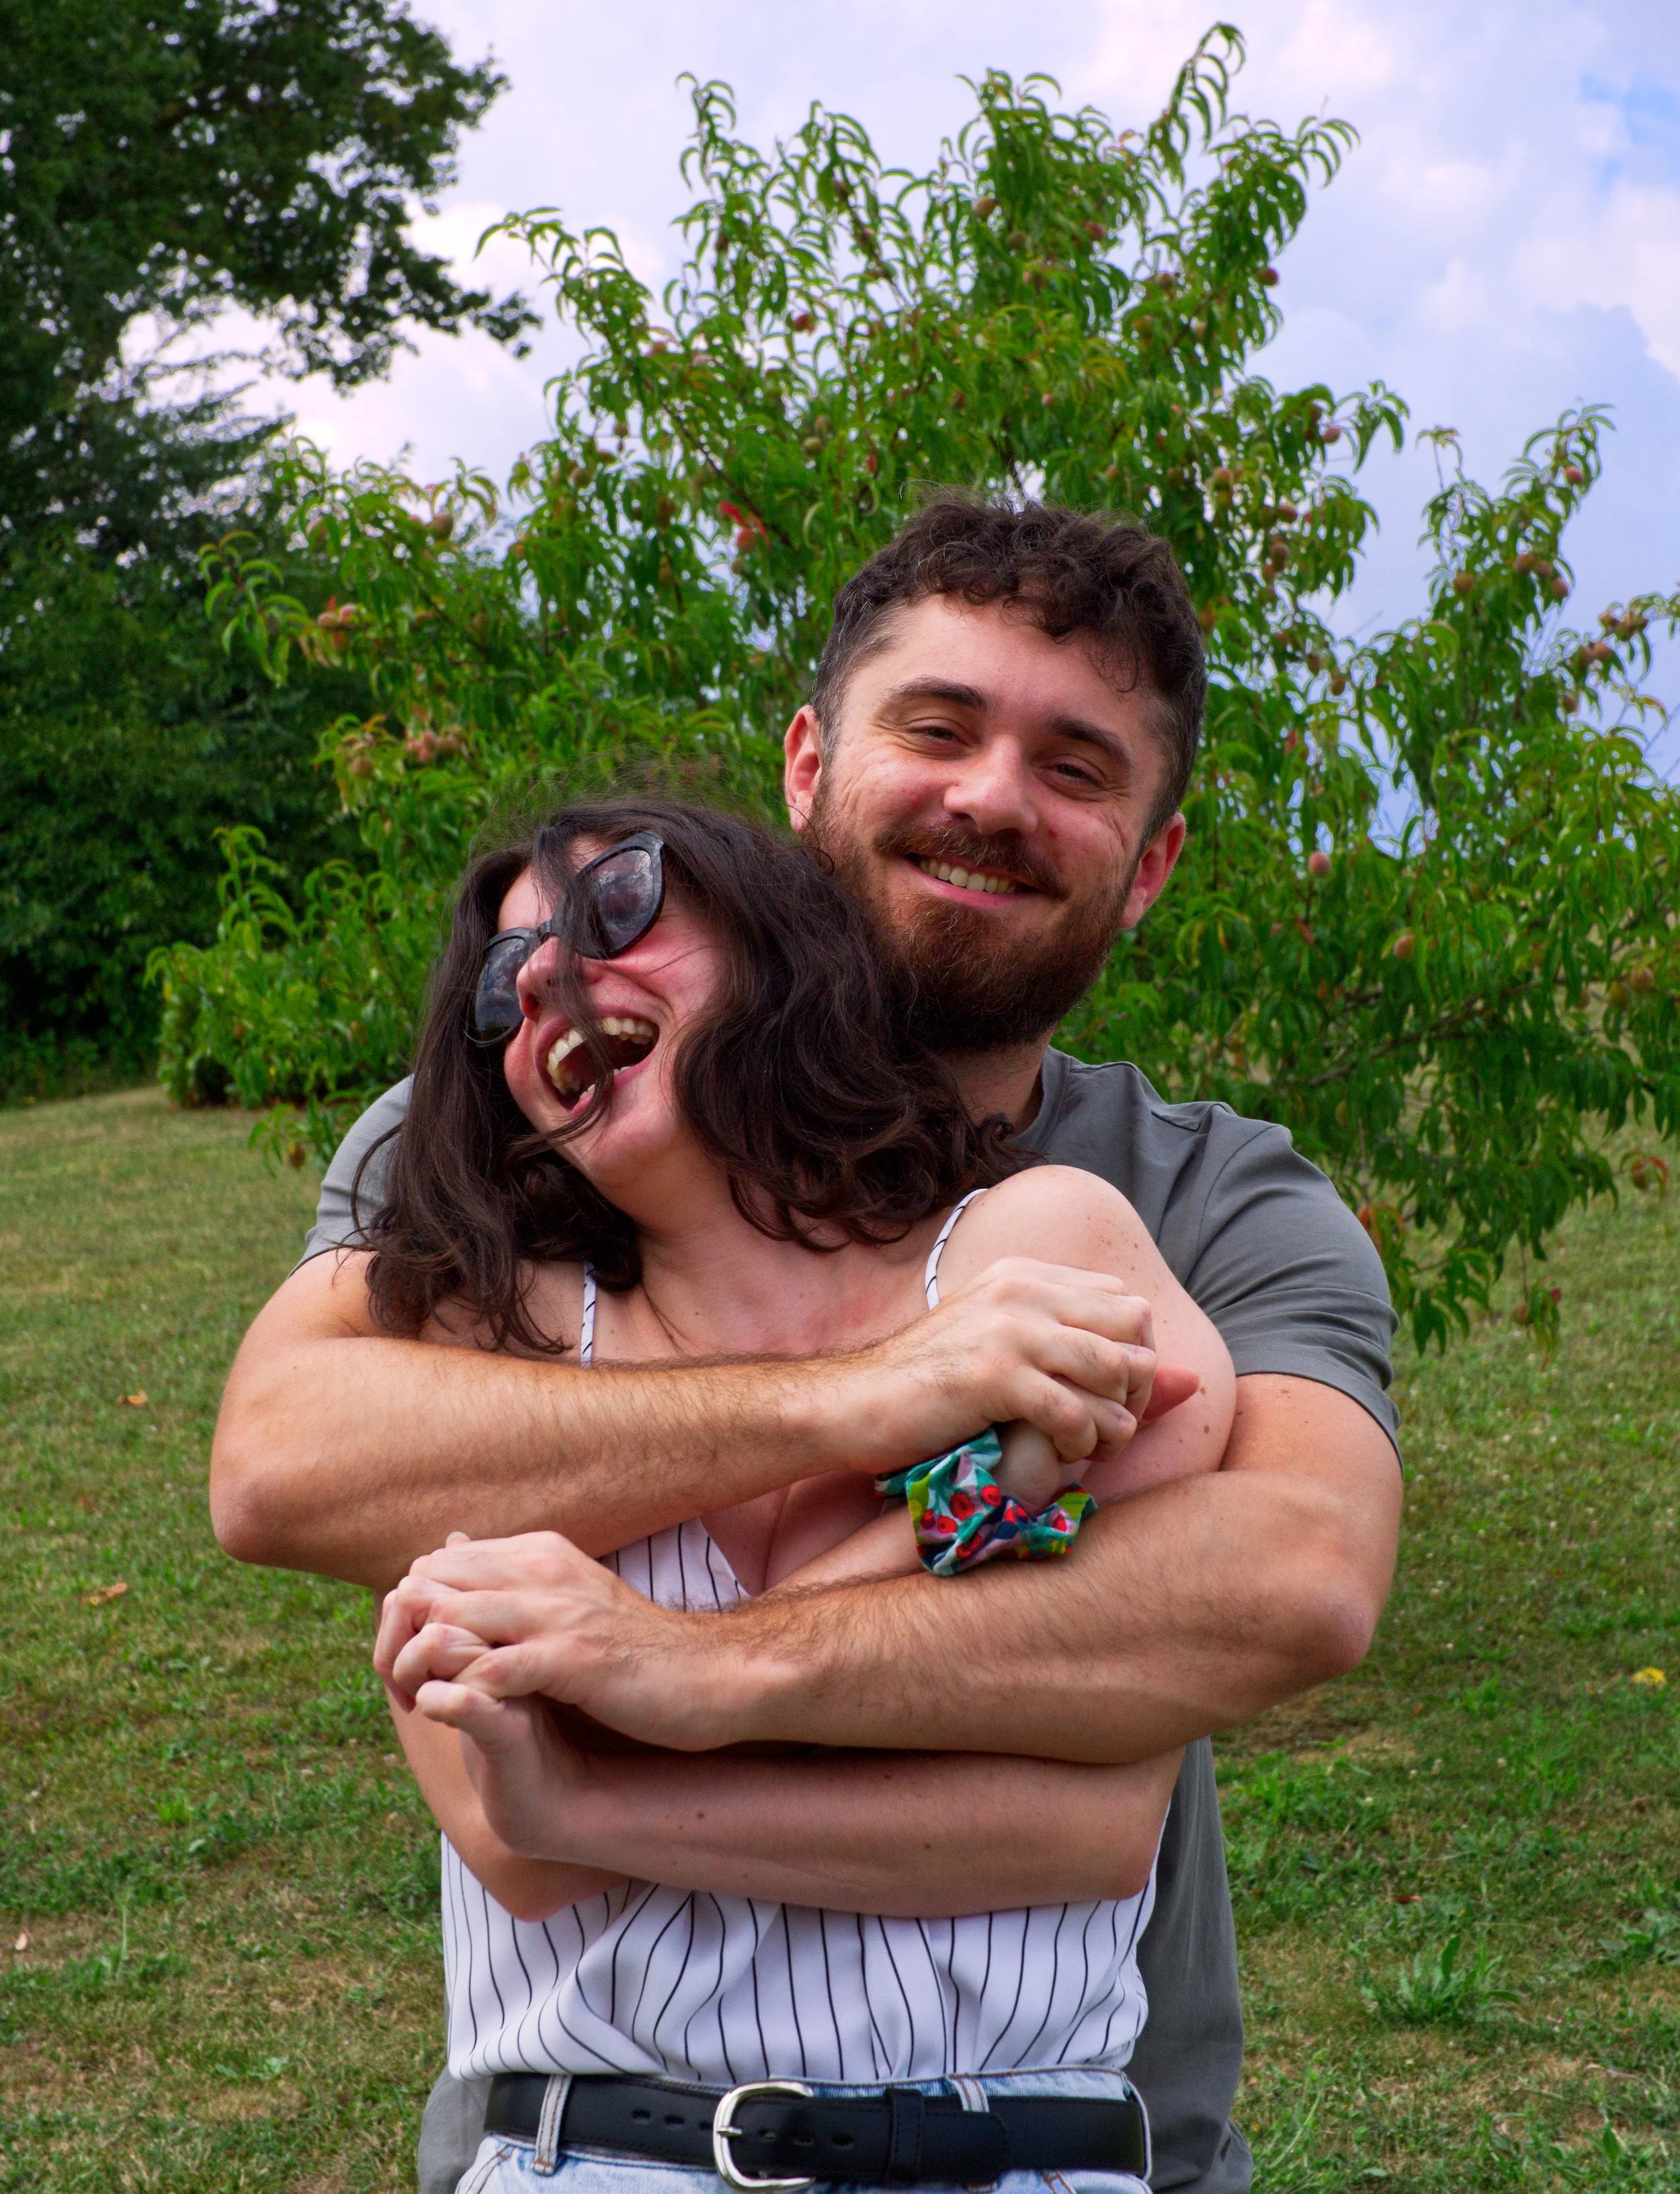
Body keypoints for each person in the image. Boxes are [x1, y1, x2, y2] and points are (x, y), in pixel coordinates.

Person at [214, 495, 1402, 2194]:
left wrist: (672, 1675)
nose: (989, 797)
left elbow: (1276, 1589)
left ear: (1146, 866)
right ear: (802, 767)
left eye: (1073, 766)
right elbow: (286, 1469)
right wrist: (882, 1404)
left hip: (1052, 2127)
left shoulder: (1192, 1195)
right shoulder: (474, 1174)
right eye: (935, 727)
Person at [355, 793, 1236, 2194]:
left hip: (1010, 2153)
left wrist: (678, 1672)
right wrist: (962, 1502)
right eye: (500, 986)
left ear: (776, 941)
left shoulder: (1014, 1236)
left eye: (617, 909)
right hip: (593, 2160)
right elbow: (511, 1844)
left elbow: (1163, 1426)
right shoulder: (485, 1344)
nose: (545, 983)